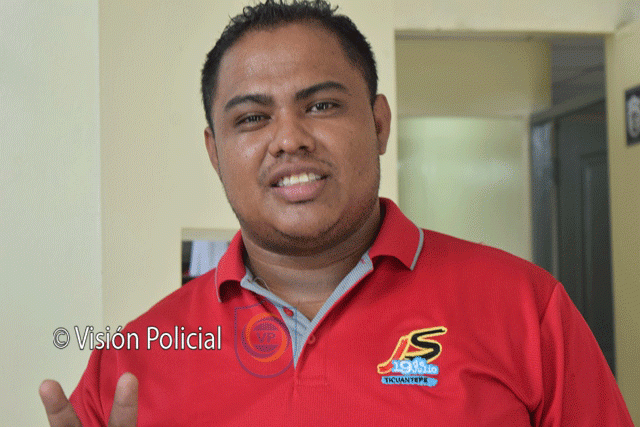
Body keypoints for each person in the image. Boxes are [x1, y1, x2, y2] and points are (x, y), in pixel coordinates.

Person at [39, 0, 634, 425]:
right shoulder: (131, 362)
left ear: (378, 123)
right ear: (214, 153)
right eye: (252, 118)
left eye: (321, 105)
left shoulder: (527, 310)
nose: (289, 139)